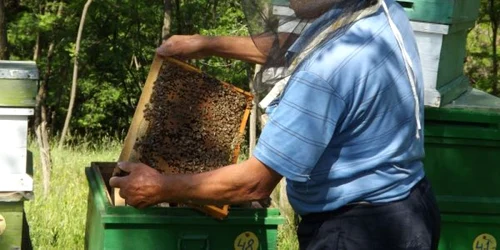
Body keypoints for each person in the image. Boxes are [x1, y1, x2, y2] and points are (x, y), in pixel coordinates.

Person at [110, 0, 441, 249]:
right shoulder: (380, 13)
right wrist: (202, 43)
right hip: (412, 207)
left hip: (357, 232)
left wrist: (160, 186)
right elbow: (296, 44)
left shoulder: (325, 72)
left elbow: (253, 184)